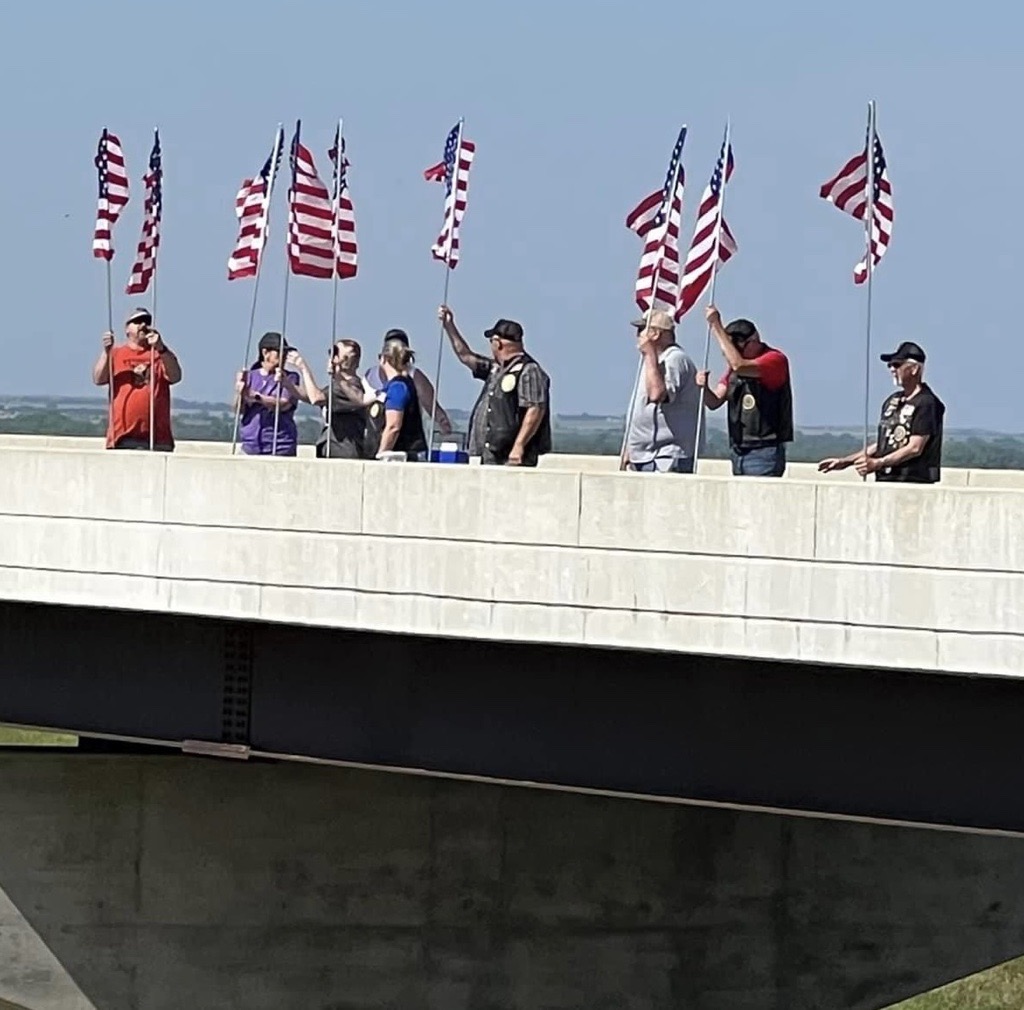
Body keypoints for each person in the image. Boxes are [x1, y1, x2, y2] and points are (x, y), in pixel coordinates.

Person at [437, 305, 551, 467]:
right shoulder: (496, 369)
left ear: (498, 344)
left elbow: (535, 409)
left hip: (510, 456)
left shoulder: (529, 370)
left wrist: (519, 446)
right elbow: (465, 356)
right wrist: (449, 326)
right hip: (490, 455)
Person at [818, 340, 945, 483]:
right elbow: (883, 444)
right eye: (890, 365)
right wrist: (845, 462)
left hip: (912, 481)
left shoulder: (927, 403)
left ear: (914, 369)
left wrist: (878, 463)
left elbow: (915, 447)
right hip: (886, 479)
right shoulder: (892, 401)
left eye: (897, 365)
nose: (892, 369)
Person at [696, 306, 793, 477]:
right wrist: (703, 388)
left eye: (738, 347)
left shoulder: (774, 360)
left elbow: (739, 366)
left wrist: (716, 325)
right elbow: (714, 401)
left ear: (754, 340)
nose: (735, 353)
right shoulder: (734, 370)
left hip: (764, 450)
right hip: (739, 450)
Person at [622, 309, 701, 473]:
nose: (638, 336)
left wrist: (650, 355)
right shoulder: (652, 362)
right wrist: (630, 448)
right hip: (644, 456)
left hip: (665, 457)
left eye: (642, 330)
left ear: (656, 334)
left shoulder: (674, 359)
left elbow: (657, 394)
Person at [92, 306, 182, 451]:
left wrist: (161, 348)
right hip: (122, 437)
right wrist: (106, 352)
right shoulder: (116, 354)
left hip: (157, 438)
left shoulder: (161, 355)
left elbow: (175, 376)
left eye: (146, 321)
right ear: (127, 329)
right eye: (137, 321)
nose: (143, 325)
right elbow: (98, 379)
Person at [235, 331, 315, 456]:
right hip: (251, 446)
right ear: (265, 353)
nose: (284, 356)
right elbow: (238, 409)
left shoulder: (290, 378)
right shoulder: (250, 377)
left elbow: (284, 404)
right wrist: (240, 392)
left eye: (286, 353)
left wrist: (256, 397)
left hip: (280, 446)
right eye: (280, 352)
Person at [364, 328, 452, 438]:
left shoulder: (415, 377)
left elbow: (431, 405)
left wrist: (442, 420)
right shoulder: (370, 375)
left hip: (405, 437)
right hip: (373, 436)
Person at [307, 339, 377, 459]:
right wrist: (288, 384)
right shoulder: (337, 385)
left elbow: (316, 398)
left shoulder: (351, 386)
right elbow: (310, 396)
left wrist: (303, 368)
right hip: (334, 448)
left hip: (344, 451)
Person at [365, 337, 427, 461]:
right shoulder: (397, 386)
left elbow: (393, 426)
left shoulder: (398, 388)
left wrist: (380, 455)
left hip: (400, 456)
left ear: (384, 359)